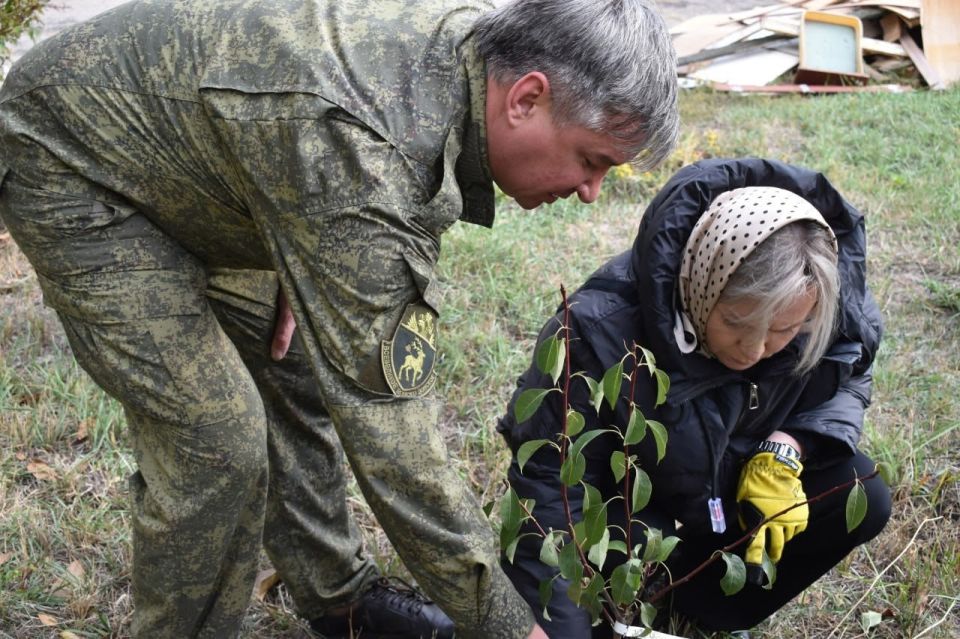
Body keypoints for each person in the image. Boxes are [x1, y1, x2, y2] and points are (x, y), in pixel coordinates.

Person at [0, 0, 679, 637]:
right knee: (217, 438)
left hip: (203, 158)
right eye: (591, 161)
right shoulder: (367, 153)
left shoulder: (471, 54)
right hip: (74, 158)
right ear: (526, 97)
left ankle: (338, 597)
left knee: (287, 356)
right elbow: (397, 447)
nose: (591, 192)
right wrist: (507, 624)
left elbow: (306, 142)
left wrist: (308, 235)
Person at [497, 158, 892, 637]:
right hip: (634, 519)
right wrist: (559, 619)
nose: (755, 350)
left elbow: (848, 371)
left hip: (719, 502)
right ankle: (620, 605)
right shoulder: (596, 328)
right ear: (705, 284)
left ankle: (702, 614)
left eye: (783, 331)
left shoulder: (821, 303)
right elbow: (549, 481)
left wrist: (791, 444)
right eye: (739, 324)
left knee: (861, 491)